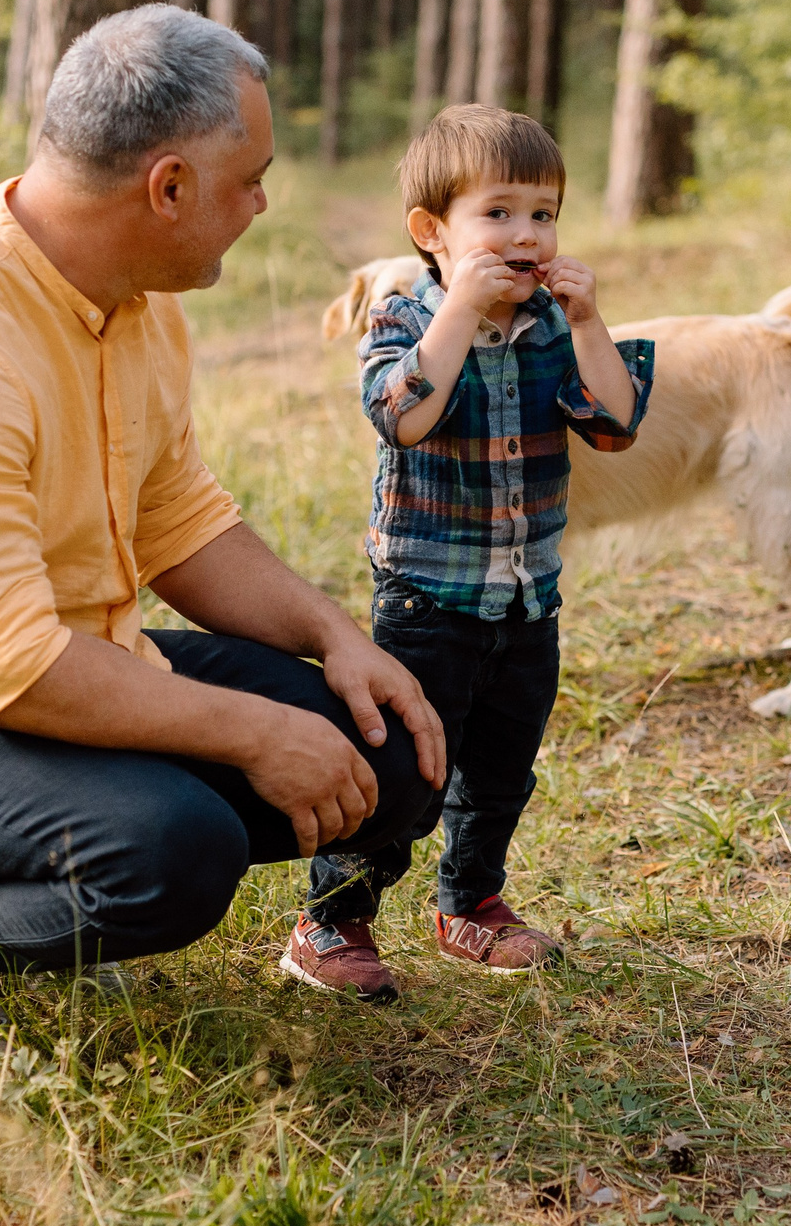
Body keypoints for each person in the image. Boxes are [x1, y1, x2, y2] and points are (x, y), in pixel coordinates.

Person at [0, 4, 446, 1039]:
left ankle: (63, 853)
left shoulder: (135, 292)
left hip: (74, 663)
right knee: (173, 855)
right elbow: (6, 662)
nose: (261, 200)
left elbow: (180, 521)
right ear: (167, 187)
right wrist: (256, 731)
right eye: (248, 176)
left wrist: (338, 642)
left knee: (389, 759)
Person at [279, 105, 654, 999]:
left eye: (544, 213)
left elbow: (615, 425)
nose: (526, 234)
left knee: (501, 766)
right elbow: (401, 413)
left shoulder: (554, 326)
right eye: (499, 213)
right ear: (431, 232)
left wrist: (592, 319)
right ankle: (331, 920)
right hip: (427, 599)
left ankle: (471, 901)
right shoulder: (406, 317)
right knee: (404, 767)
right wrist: (459, 307)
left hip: (528, 599)